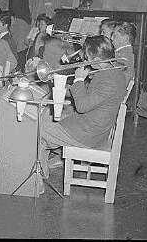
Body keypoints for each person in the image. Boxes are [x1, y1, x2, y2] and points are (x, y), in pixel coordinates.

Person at [40, 35, 126, 179]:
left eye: (87, 58)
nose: (85, 61)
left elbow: (82, 106)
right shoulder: (111, 71)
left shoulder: (109, 80)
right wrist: (63, 88)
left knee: (37, 129)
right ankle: (43, 166)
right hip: (91, 125)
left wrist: (79, 78)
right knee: (46, 117)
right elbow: (89, 96)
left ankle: (38, 178)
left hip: (88, 134)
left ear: (97, 60)